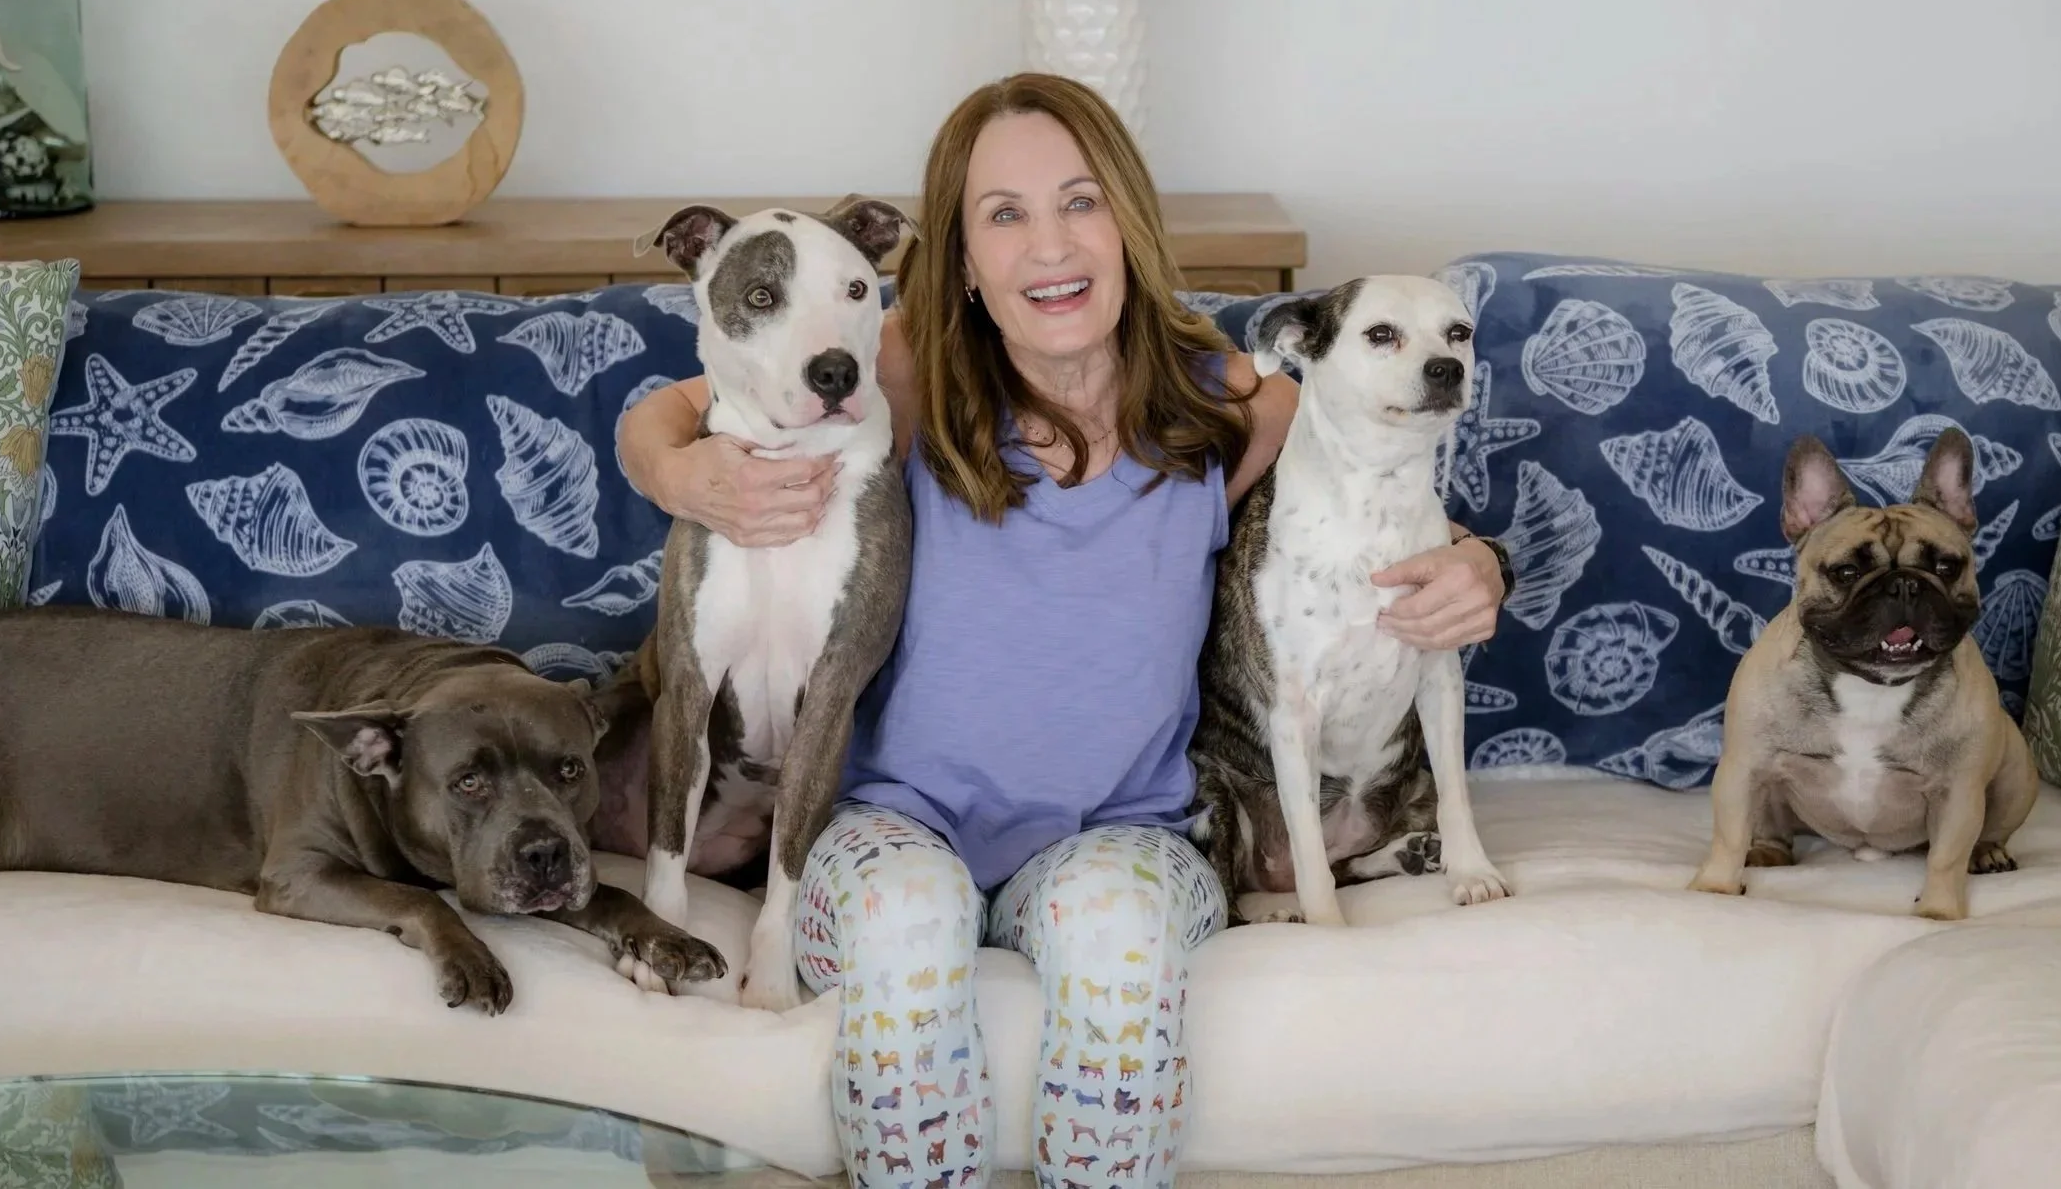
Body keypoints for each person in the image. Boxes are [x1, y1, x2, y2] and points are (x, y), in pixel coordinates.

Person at [616, 72, 1508, 1189]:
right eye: (1004, 214)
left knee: (1119, 936)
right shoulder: (904, 373)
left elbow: (1371, 486)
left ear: (1127, 222)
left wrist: (1481, 560)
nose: (1048, 244)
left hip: (1127, 830)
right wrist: (670, 467)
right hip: (898, 820)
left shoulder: (1227, 401)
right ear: (963, 260)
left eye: (1078, 202)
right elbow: (677, 401)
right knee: (900, 919)